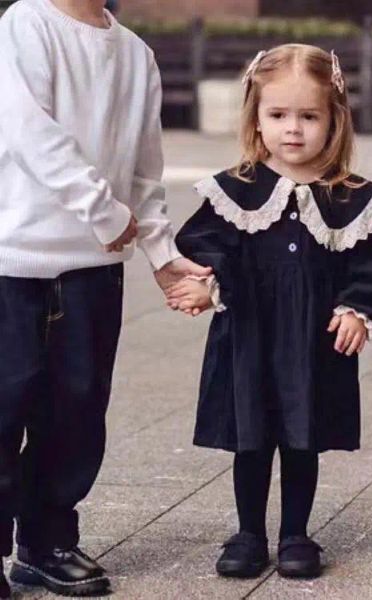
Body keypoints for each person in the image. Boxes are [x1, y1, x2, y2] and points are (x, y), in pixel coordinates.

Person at [0, 0, 211, 596]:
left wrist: (163, 254)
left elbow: (145, 168)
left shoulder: (136, 54)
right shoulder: (26, 22)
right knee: (3, 406)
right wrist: (100, 207)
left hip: (95, 267)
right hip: (14, 260)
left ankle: (46, 544)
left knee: (76, 412)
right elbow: (23, 129)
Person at [168, 43, 372, 579]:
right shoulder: (235, 190)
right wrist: (208, 285)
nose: (292, 129)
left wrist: (357, 310)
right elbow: (204, 245)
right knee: (251, 437)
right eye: (277, 115)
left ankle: (296, 533)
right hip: (249, 336)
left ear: (334, 120)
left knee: (303, 436)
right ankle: (249, 532)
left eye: (308, 116)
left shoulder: (352, 198)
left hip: (312, 341)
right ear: (256, 117)